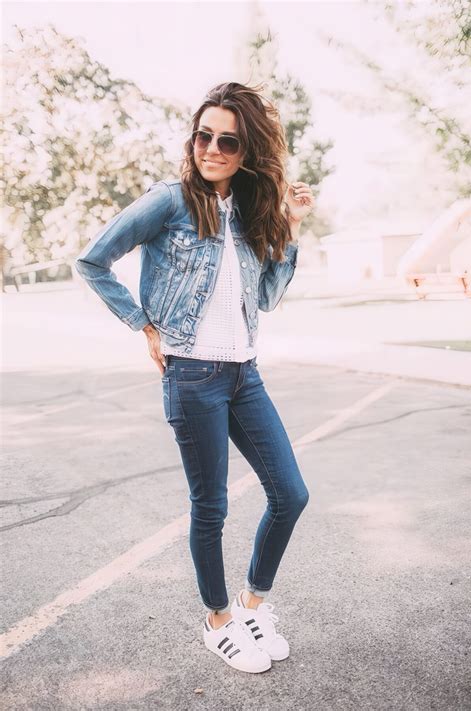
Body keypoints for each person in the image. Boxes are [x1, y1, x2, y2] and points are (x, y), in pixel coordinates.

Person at [75, 81, 315, 674]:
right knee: (211, 506)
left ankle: (252, 604)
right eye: (203, 135)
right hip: (192, 376)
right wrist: (142, 323)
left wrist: (290, 230)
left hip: (242, 374)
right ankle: (217, 621)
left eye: (227, 141)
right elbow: (91, 261)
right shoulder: (170, 200)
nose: (211, 148)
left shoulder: (253, 208)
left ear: (246, 151)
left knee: (291, 493)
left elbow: (265, 297)